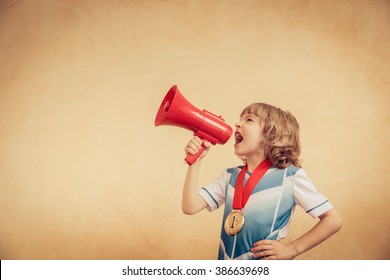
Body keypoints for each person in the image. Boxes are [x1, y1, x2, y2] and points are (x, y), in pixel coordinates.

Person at [182, 102, 342, 260]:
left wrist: (293, 249)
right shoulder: (230, 176)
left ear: (271, 135)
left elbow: (332, 220)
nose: (237, 124)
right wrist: (195, 163)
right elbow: (190, 207)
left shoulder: (291, 176)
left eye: (249, 120)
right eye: (240, 119)